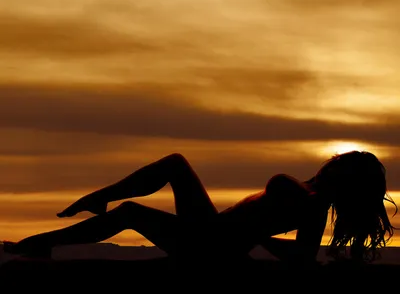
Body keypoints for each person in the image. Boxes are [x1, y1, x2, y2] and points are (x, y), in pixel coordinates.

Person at [3, 150, 398, 264]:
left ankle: (42, 242)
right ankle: (41, 244)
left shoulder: (312, 202)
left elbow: (302, 256)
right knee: (129, 213)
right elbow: (300, 253)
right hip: (212, 238)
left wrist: (250, 243)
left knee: (172, 167)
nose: (334, 159)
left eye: (344, 162)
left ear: (346, 179)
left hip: (212, 245)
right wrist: (253, 241)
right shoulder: (310, 193)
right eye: (340, 157)